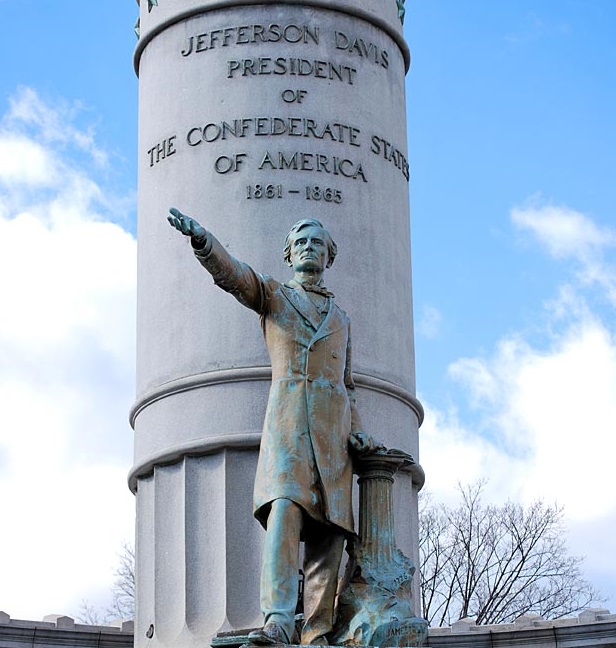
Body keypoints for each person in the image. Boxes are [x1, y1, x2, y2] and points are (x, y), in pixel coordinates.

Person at [167, 208, 378, 645]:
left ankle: (317, 630)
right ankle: (279, 619)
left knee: (330, 537)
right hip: (288, 429)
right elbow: (236, 276)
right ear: (288, 254)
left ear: (329, 256)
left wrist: (357, 429)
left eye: (317, 243)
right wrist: (206, 243)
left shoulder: (341, 318)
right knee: (285, 513)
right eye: (301, 242)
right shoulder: (276, 296)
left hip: (334, 439)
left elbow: (348, 384)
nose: (308, 249)